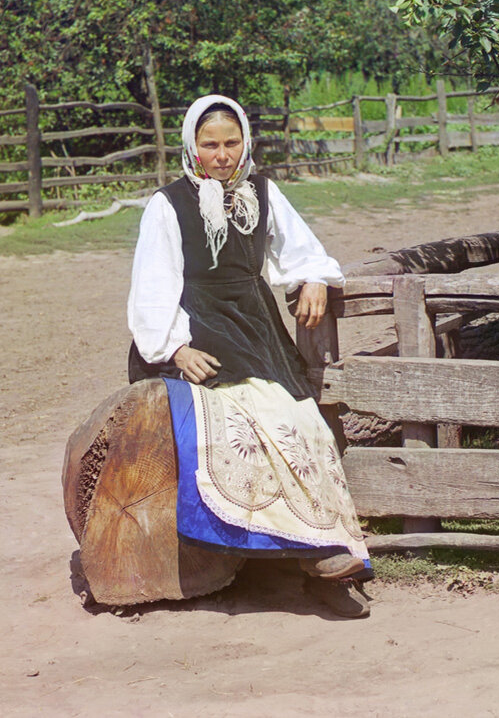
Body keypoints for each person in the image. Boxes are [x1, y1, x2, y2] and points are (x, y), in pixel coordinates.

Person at [127, 94, 372, 618]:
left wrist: (313, 279)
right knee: (248, 422)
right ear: (192, 145)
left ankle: (325, 552)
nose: (221, 154)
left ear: (245, 144)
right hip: (197, 326)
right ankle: (304, 552)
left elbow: (301, 248)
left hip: (254, 325)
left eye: (231, 143)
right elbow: (153, 287)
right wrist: (175, 347)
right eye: (209, 144)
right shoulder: (167, 205)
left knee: (301, 420)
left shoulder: (262, 191)